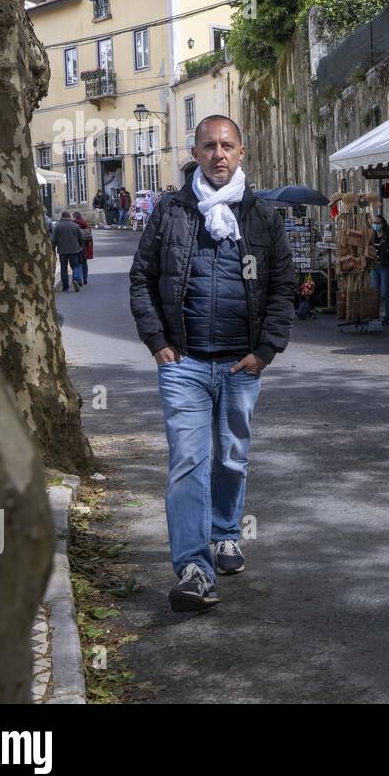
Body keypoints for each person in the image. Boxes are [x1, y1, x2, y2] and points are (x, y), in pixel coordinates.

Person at [129, 114, 295, 612]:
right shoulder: (172, 211)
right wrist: (157, 339)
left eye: (227, 146)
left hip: (241, 367)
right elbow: (141, 279)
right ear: (195, 153)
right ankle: (194, 569)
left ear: (241, 153)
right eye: (208, 146)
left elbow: (285, 287)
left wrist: (265, 350)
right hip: (185, 364)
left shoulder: (261, 217)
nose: (218, 154)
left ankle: (226, 532)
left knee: (231, 458)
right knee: (188, 462)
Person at [370, 213, 389, 325]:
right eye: (374, 223)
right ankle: (376, 314)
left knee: (385, 291)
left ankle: (387, 315)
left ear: (383, 224)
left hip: (384, 267)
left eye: (378, 223)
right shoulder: (372, 235)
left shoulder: (388, 236)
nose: (376, 225)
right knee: (376, 291)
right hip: (374, 267)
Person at [51, 211, 85, 292]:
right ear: (69, 217)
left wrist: (53, 249)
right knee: (75, 266)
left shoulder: (57, 227)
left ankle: (65, 286)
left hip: (62, 251)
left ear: (61, 217)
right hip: (74, 249)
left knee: (63, 268)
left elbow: (54, 240)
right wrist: (81, 246)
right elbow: (81, 238)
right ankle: (75, 279)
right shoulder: (75, 226)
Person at [72, 211, 93, 285]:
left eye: (73, 216)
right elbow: (90, 238)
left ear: (75, 217)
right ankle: (85, 279)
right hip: (85, 246)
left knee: (77, 264)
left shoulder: (73, 225)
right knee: (84, 263)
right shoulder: (86, 224)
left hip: (76, 246)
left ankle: (79, 279)